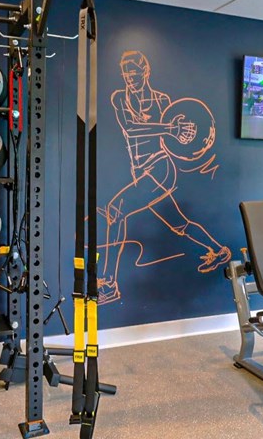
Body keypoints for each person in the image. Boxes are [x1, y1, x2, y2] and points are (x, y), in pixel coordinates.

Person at [98, 51, 232, 303]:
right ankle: (219, 250)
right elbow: (131, 128)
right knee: (178, 223)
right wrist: (172, 128)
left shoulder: (162, 100)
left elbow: (175, 136)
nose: (130, 78)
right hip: (140, 171)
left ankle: (108, 286)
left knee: (115, 210)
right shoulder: (119, 98)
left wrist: (180, 133)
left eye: (134, 72)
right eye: (126, 73)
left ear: (145, 71)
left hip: (160, 167)